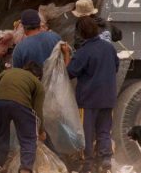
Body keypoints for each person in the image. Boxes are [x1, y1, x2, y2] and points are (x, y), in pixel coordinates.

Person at [61, 16, 119, 173]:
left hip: (88, 100)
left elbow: (69, 73)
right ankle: (106, 159)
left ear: (81, 33)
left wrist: (66, 55)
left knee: (86, 132)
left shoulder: (83, 52)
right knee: (104, 130)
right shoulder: (109, 48)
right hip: (108, 98)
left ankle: (88, 164)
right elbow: (116, 66)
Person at [0, 61, 45, 173]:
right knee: (28, 139)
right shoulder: (38, 83)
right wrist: (40, 131)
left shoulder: (10, 71)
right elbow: (38, 112)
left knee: (1, 137)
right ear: (38, 76)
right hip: (21, 104)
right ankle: (25, 170)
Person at [57, 0, 122, 49]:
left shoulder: (81, 26)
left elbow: (78, 45)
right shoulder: (105, 22)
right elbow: (118, 36)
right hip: (106, 57)